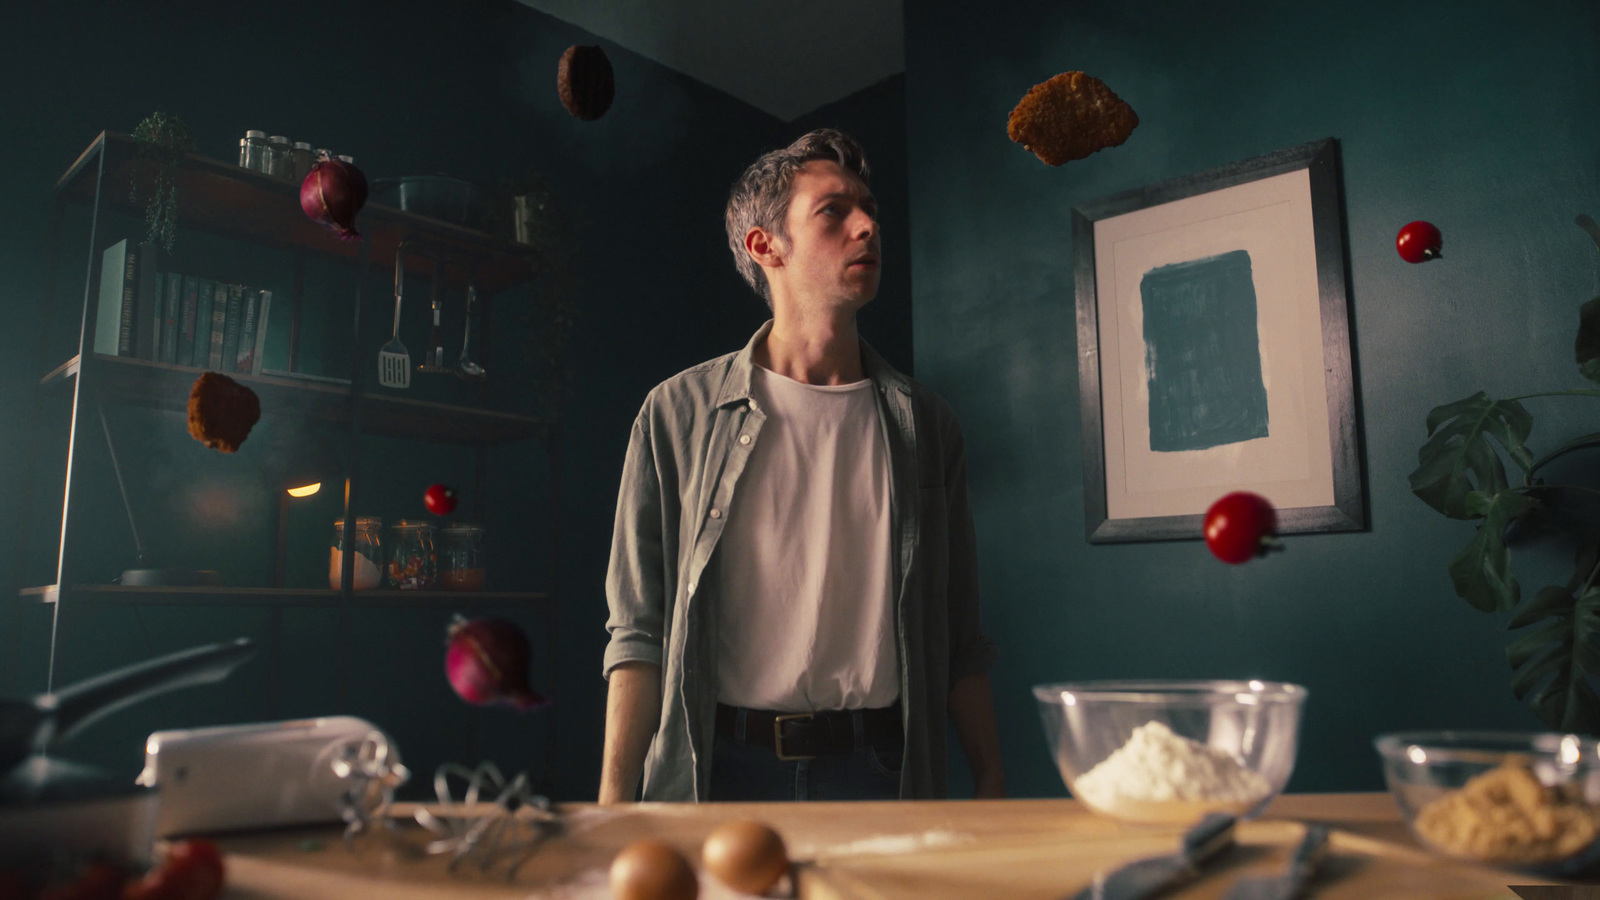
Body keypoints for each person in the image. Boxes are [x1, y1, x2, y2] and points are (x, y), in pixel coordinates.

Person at [599, 128, 1004, 803]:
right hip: (718, 773)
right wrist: (613, 804)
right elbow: (638, 630)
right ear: (766, 246)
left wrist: (991, 779)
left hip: (881, 775)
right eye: (834, 211)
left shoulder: (927, 425)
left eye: (869, 207)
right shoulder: (676, 414)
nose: (868, 225)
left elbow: (960, 634)